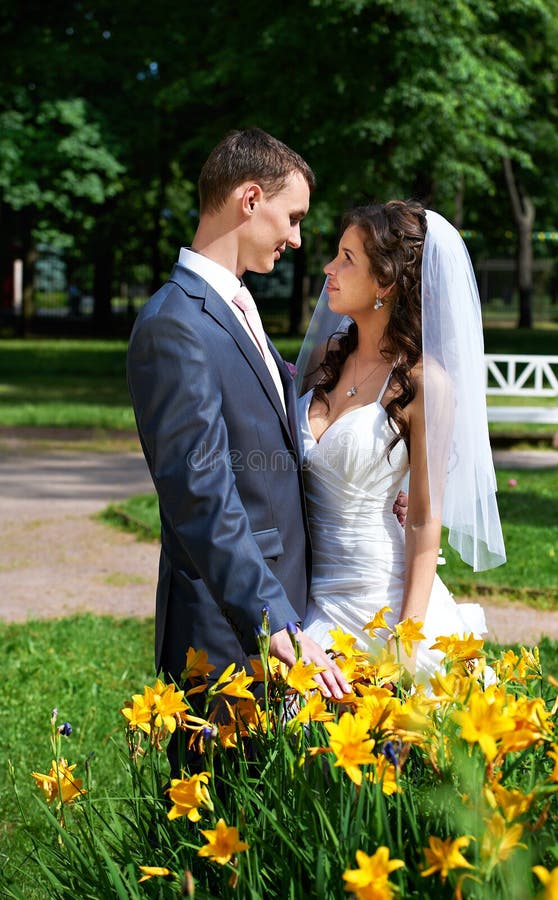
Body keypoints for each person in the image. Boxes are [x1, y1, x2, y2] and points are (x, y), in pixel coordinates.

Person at [127, 128, 351, 707]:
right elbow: (199, 491)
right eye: (293, 217)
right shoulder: (174, 324)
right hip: (227, 626)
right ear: (250, 199)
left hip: (286, 605)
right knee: (226, 797)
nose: (298, 240)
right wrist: (271, 620)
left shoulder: (237, 306)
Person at [295, 200, 506, 685]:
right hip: (309, 593)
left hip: (381, 595)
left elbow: (425, 516)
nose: (329, 268)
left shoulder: (424, 383)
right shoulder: (326, 357)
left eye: (347, 258)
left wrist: (406, 636)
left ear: (385, 283)